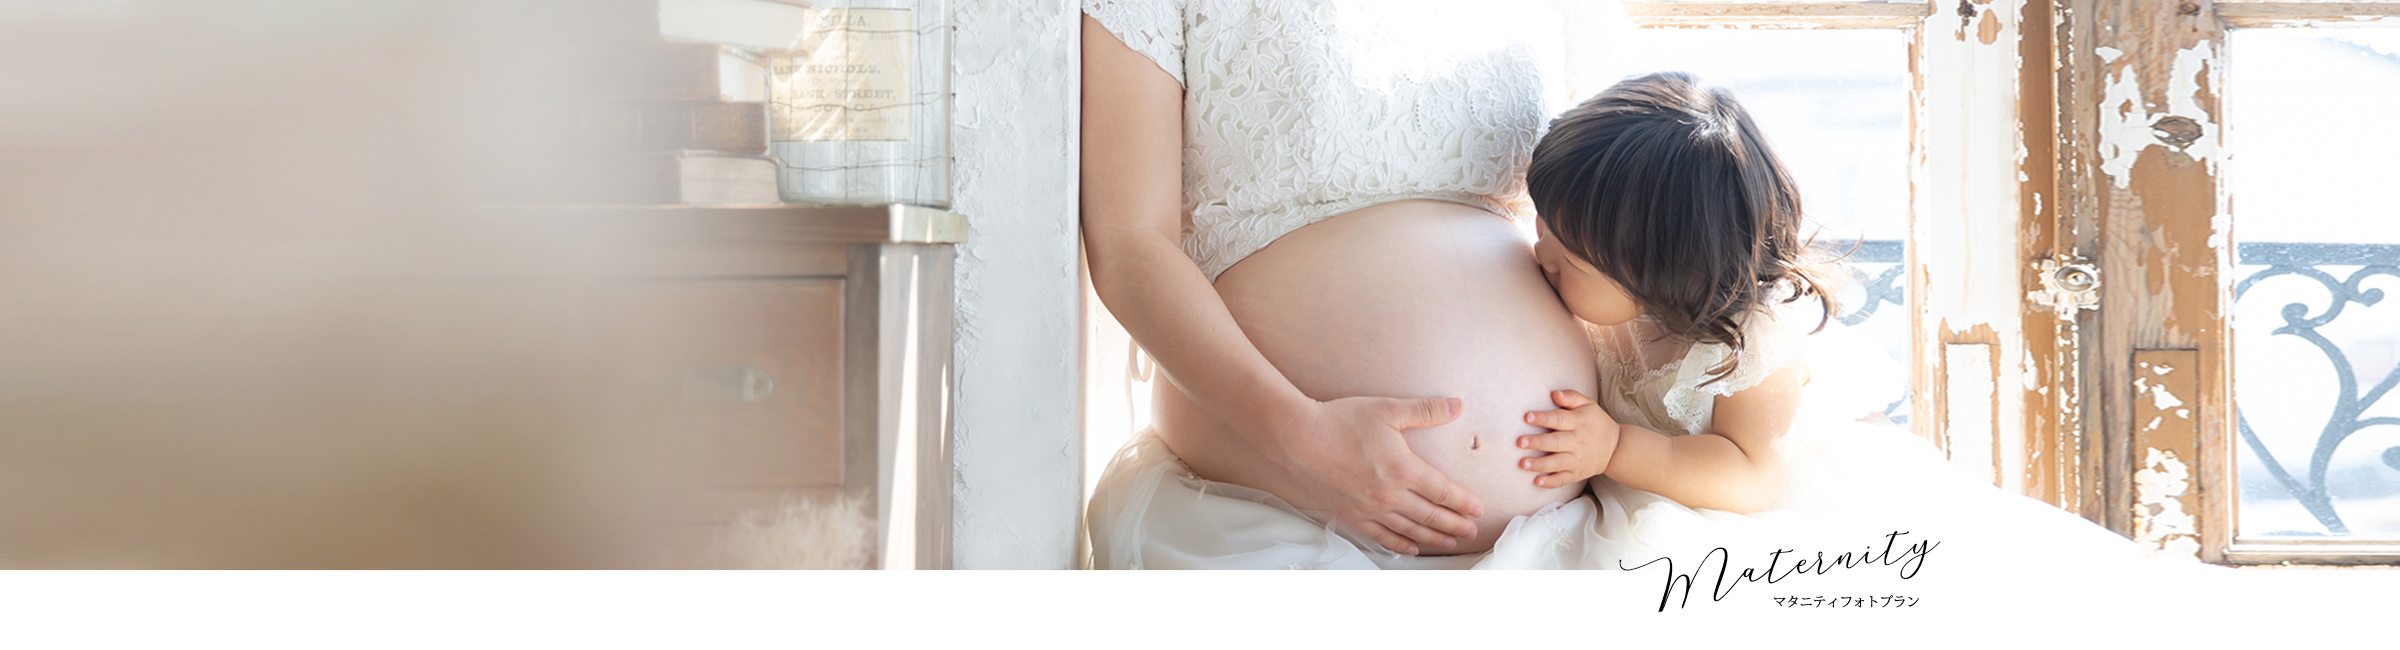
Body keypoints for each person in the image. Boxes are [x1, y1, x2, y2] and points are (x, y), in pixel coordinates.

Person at [1502, 72, 2239, 649]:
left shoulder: (1750, 340)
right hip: (1661, 489)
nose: (1540, 258)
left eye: (1569, 262)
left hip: (1763, 499)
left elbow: (1751, 475)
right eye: (1542, 234)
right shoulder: (1609, 299)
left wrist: (1615, 447)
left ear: (1662, 269)